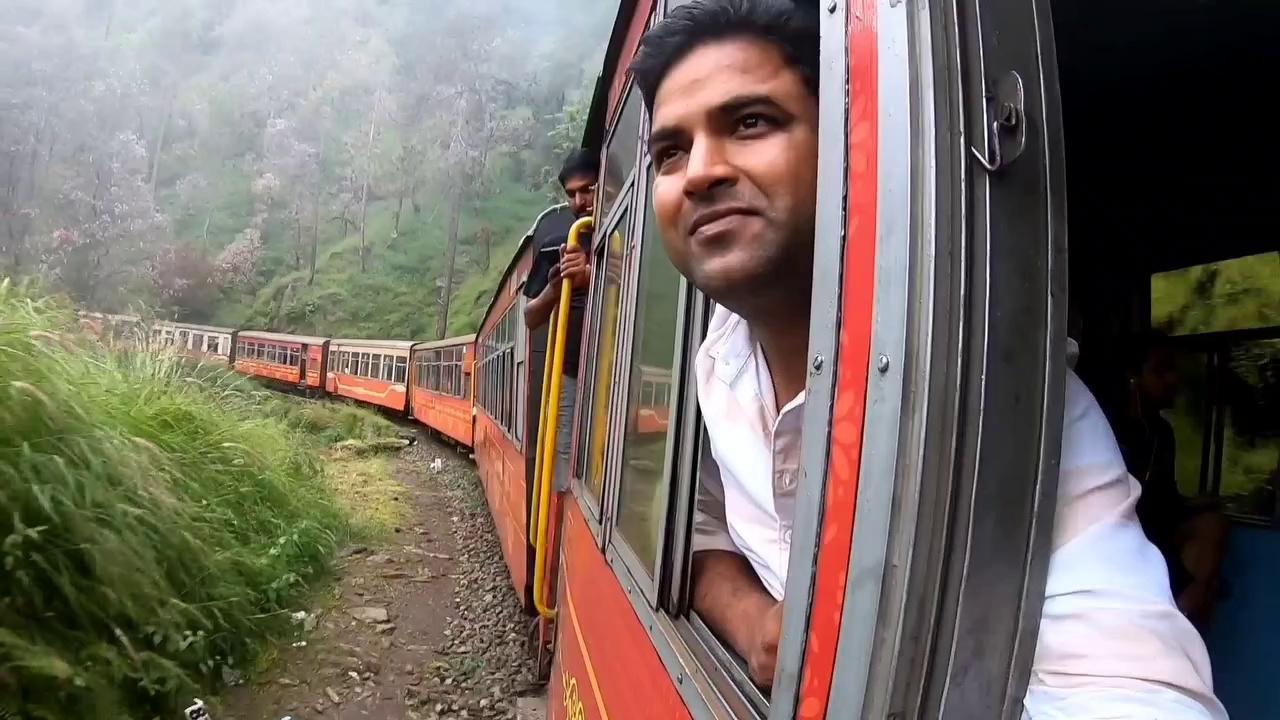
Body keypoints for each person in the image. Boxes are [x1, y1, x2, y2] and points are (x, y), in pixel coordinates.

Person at [630, 1, 1227, 717]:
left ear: (846, 148)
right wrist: (756, 623)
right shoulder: (713, 364)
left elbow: (1147, 693)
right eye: (670, 151)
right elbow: (699, 524)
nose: (699, 173)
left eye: (750, 122)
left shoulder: (1009, 405)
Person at [1114, 332, 1230, 630]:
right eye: (1161, 371)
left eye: (1174, 371)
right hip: (1125, 534)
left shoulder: (1163, 433)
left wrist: (1200, 504)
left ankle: (1179, 618)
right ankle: (1177, 625)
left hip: (1158, 531)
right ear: (1134, 378)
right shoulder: (1113, 431)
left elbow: (1166, 499)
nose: (1173, 380)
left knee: (1213, 526)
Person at [523, 149, 597, 489]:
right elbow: (529, 316)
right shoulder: (560, 243)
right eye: (572, 194)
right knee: (564, 464)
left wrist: (592, 276)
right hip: (570, 374)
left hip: (623, 376)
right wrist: (554, 290)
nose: (580, 202)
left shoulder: (636, 230)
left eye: (589, 189)